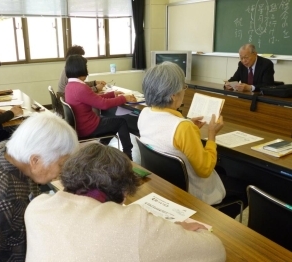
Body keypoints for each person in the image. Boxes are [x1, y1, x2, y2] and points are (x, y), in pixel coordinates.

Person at [25, 143, 226, 262]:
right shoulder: (132, 224)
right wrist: (179, 232)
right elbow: (216, 251)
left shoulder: (36, 208)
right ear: (123, 193)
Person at [138, 62, 248, 218]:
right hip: (192, 194)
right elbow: (205, 170)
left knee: (223, 172)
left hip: (164, 186)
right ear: (173, 95)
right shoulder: (182, 127)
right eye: (183, 87)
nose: (184, 91)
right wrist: (211, 135)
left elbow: (166, 135)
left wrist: (191, 126)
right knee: (245, 187)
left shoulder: (145, 113)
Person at [0, 113, 79, 261]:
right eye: (61, 165)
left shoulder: (4, 150)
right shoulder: (7, 197)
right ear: (35, 160)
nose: (61, 173)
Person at [65, 54, 136, 160]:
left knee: (111, 123)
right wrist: (124, 98)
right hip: (88, 127)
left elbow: (93, 98)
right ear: (80, 68)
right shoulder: (81, 87)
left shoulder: (69, 86)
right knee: (121, 122)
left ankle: (98, 151)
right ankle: (128, 156)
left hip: (81, 126)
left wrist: (112, 94)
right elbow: (103, 104)